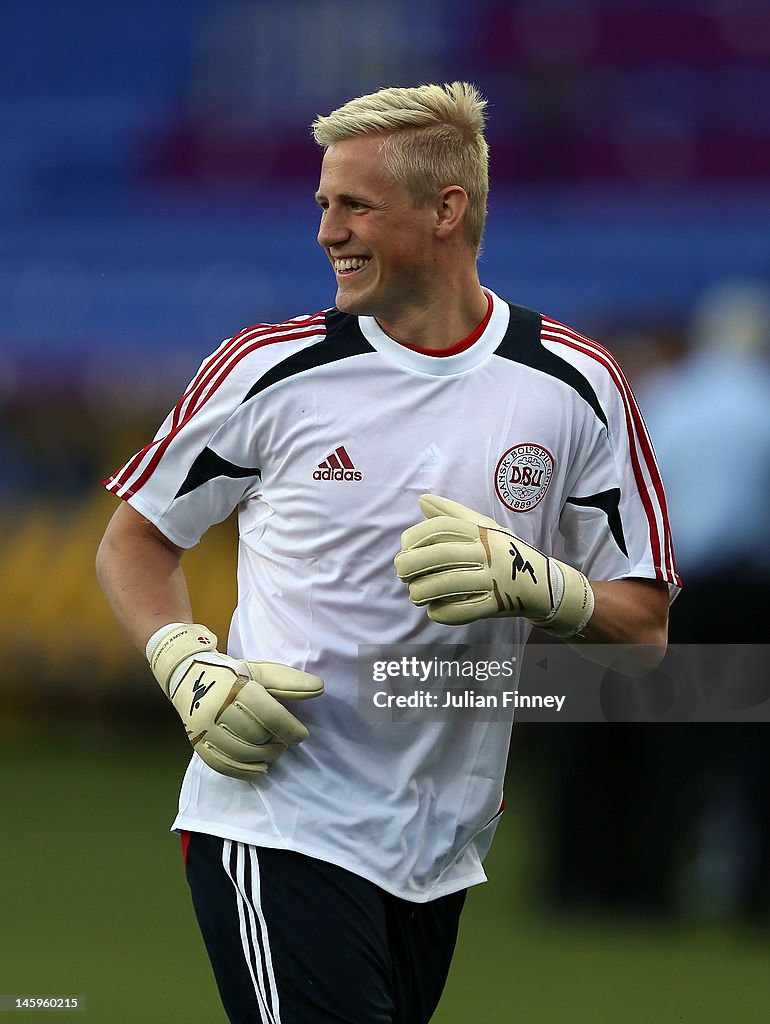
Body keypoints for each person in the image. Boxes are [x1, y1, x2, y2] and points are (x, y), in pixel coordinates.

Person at [96, 82, 680, 1024]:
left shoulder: (578, 384)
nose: (327, 231)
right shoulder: (268, 368)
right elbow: (134, 540)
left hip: (439, 850)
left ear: (446, 210)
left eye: (355, 204)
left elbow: (646, 629)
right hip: (274, 820)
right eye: (323, 204)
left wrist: (547, 590)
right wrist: (183, 661)